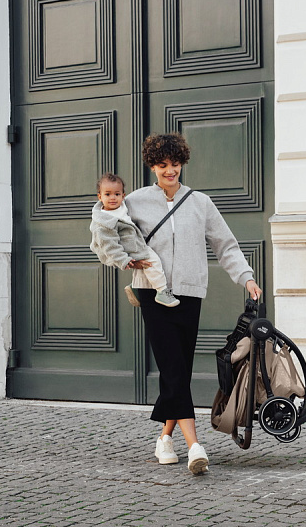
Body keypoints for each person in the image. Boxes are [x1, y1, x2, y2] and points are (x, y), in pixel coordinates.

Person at [125, 132, 262, 475]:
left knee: (180, 368)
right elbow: (105, 230)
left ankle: (164, 438)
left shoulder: (200, 202)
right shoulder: (134, 201)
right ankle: (194, 446)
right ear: (152, 166)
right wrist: (124, 259)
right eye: (162, 165)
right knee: (173, 365)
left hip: (190, 293)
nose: (169, 170)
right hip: (153, 292)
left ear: (182, 163)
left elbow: (225, 244)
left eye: (174, 163)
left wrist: (246, 277)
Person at [89, 173, 180, 307]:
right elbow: (109, 246)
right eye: (107, 194)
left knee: (147, 266)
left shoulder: (122, 206)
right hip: (125, 248)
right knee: (153, 262)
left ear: (123, 196)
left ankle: (135, 288)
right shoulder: (103, 223)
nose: (113, 198)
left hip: (133, 242)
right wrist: (123, 260)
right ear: (100, 197)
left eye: (117, 194)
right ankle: (162, 291)